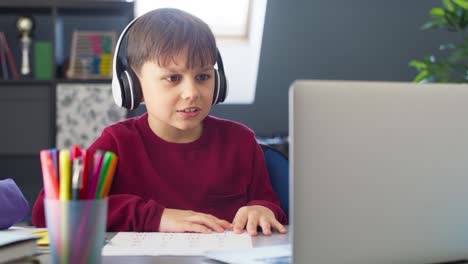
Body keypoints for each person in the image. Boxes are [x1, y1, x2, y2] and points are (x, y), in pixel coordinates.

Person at [32, 8, 287, 236]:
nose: (192, 92)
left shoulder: (240, 142)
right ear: (133, 86)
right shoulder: (118, 142)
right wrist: (155, 217)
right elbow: (49, 211)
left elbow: (269, 204)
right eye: (173, 78)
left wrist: (261, 210)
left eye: (202, 76)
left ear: (217, 81)